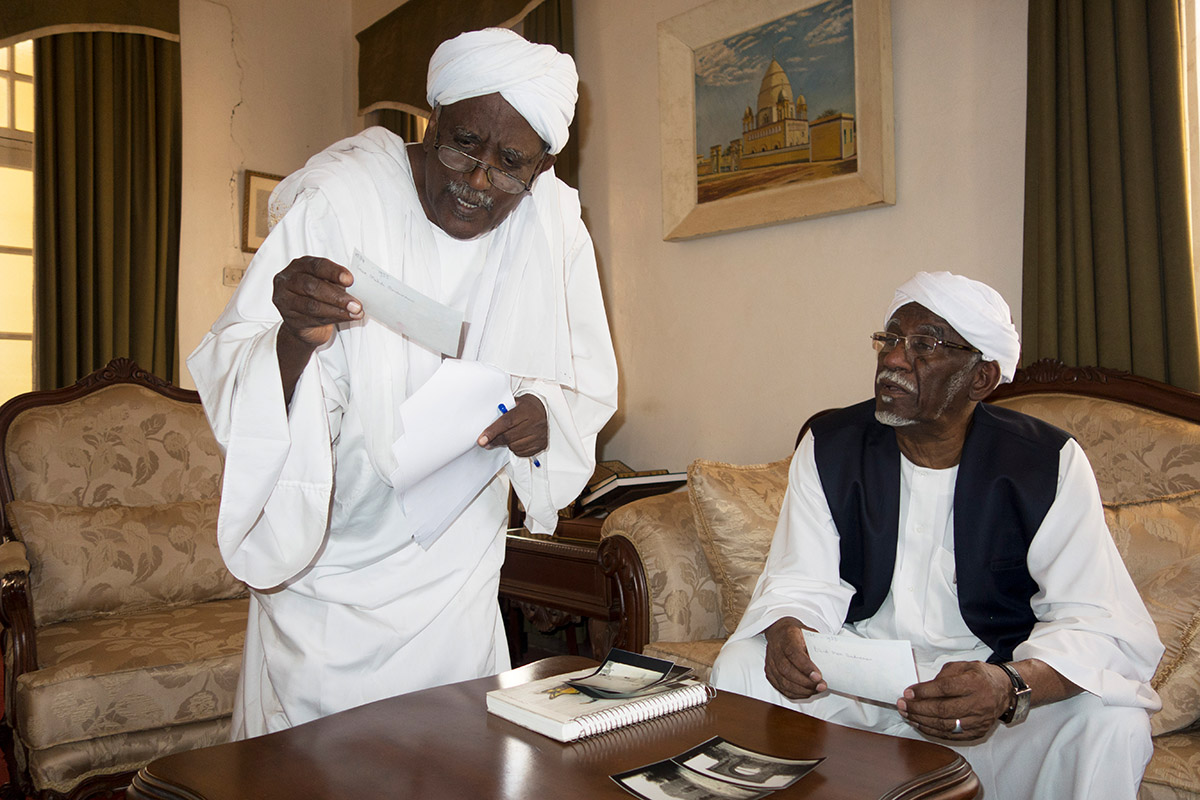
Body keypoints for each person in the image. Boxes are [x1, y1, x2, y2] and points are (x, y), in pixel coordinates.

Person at [187, 28, 617, 739]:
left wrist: (544, 417)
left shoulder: (552, 227)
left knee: (447, 759)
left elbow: (577, 390)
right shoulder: (341, 199)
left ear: (540, 169)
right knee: (312, 770)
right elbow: (237, 372)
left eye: (510, 164)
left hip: (454, 570)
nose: (478, 180)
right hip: (325, 564)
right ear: (431, 119)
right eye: (463, 145)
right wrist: (292, 334)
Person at [711, 272, 1163, 800]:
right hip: (854, 682)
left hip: (981, 699)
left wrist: (1007, 688)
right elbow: (799, 577)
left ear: (981, 378)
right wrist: (785, 628)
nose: (894, 360)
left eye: (924, 345)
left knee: (1109, 721)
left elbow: (1095, 616)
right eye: (890, 339)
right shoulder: (831, 444)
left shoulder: (1045, 462)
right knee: (742, 666)